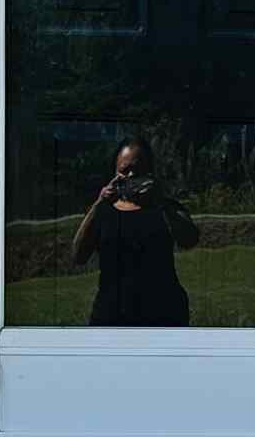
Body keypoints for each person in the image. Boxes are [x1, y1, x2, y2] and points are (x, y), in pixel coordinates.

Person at [69, 138, 198, 326]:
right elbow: (78, 256)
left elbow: (190, 240)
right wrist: (99, 203)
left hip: (164, 313)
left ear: (150, 172)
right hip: (111, 315)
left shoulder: (165, 207)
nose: (131, 175)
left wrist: (160, 202)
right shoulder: (103, 210)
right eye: (124, 170)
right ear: (115, 173)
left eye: (138, 170)